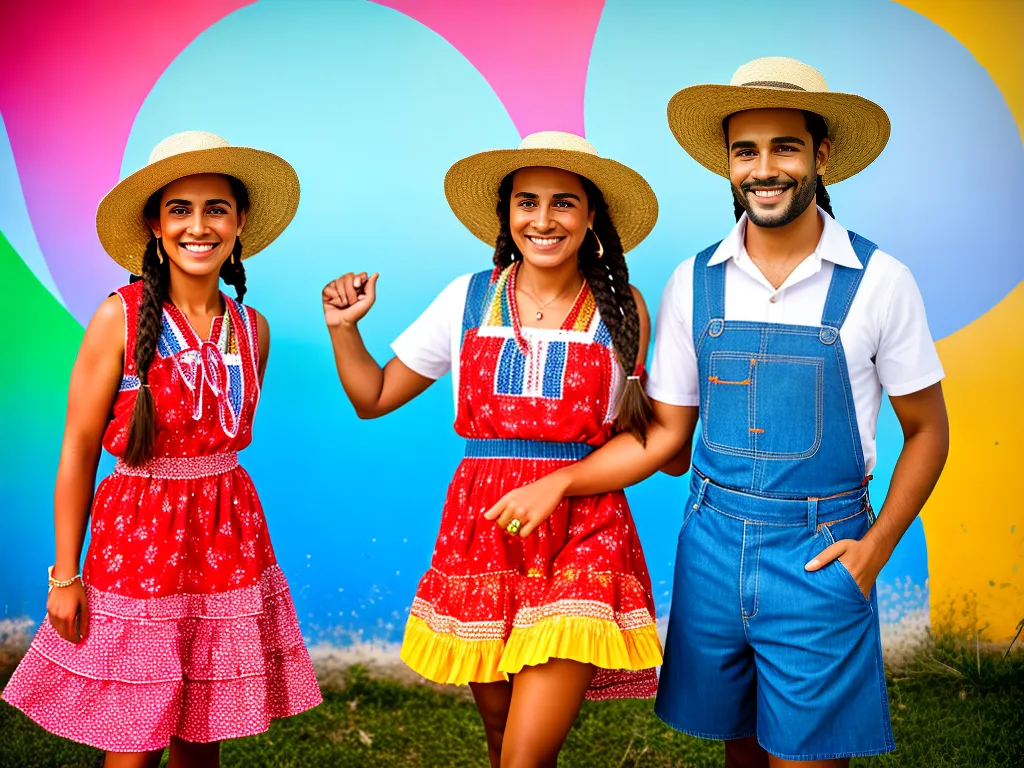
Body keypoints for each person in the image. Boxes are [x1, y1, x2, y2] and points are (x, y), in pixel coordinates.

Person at [484, 59, 950, 767]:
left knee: (808, 756)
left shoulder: (881, 282)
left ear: (821, 157)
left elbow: (928, 430)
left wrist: (876, 548)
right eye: (746, 151)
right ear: (729, 166)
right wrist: (562, 477)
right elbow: (668, 437)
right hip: (711, 550)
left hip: (821, 551)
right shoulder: (693, 282)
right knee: (739, 751)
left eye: (785, 148)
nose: (765, 169)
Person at [322, 131, 663, 767]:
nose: (542, 218)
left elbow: (653, 441)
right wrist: (344, 330)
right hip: (485, 530)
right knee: (503, 741)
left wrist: (564, 480)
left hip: (585, 528)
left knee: (525, 756)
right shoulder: (468, 298)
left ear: (592, 217)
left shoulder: (624, 309)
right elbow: (373, 397)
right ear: (507, 215)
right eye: (526, 201)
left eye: (564, 202)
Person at [2, 132, 322, 767]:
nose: (198, 226)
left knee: (202, 734)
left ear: (239, 223)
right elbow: (79, 448)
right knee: (135, 735)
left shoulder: (251, 330)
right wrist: (65, 573)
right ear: (154, 224)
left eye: (215, 209)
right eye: (180, 210)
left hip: (227, 533)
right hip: (138, 535)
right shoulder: (118, 317)